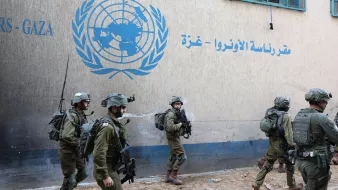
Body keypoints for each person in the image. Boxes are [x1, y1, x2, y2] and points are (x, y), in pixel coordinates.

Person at [252, 97, 303, 190]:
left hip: (272, 142)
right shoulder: (286, 116)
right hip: (282, 144)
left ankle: (257, 183)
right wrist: (292, 145)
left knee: (269, 163)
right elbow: (288, 133)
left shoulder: (270, 113)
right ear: (286, 105)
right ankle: (292, 185)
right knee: (290, 164)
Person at [293, 88, 338, 189]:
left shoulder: (299, 115)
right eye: (325, 101)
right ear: (320, 101)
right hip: (316, 163)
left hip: (301, 161)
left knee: (310, 186)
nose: (326, 104)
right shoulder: (321, 117)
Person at [93, 93, 130, 190]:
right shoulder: (107, 127)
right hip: (106, 170)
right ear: (114, 108)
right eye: (123, 107)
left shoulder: (114, 123)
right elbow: (98, 153)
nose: (125, 110)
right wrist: (105, 176)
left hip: (111, 167)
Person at [59, 92, 91, 190]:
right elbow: (66, 136)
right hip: (67, 151)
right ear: (78, 103)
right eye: (85, 102)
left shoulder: (81, 115)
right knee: (70, 180)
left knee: (84, 173)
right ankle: (69, 185)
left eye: (88, 102)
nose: (88, 104)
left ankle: (69, 186)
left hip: (77, 150)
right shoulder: (72, 116)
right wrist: (81, 143)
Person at [164, 96, 188, 185]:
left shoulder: (177, 113)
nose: (178, 105)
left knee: (173, 156)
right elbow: (170, 128)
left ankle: (167, 177)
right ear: (173, 105)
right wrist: (180, 124)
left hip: (175, 138)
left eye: (179, 104)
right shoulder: (171, 114)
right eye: (176, 104)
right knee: (182, 157)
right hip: (173, 139)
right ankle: (173, 176)